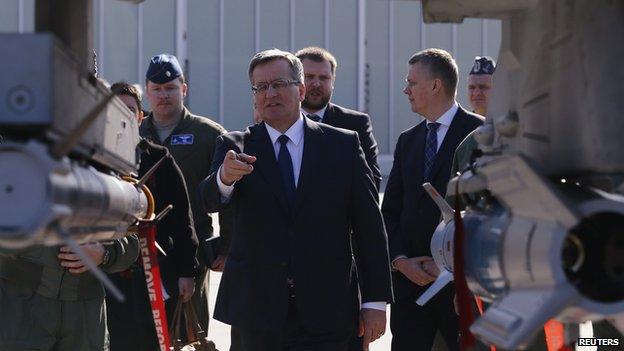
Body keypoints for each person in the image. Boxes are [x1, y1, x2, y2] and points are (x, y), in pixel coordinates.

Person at [199, 49, 393, 351]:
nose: (269, 94)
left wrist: (375, 301)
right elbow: (209, 200)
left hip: (330, 312)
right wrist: (225, 177)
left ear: (300, 90)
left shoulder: (342, 145)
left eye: (278, 84)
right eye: (260, 87)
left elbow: (369, 227)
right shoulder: (235, 146)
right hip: (258, 315)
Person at [381, 48, 483, 351]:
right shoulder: (407, 141)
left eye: (412, 82)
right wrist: (400, 262)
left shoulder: (480, 135)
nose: (405, 89)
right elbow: (391, 212)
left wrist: (453, 269)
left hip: (461, 292)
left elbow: (488, 214)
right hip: (411, 288)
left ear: (435, 85)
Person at [141, 54, 233, 336]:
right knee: (143, 328)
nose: (163, 95)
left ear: (184, 89)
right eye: (157, 89)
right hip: (141, 250)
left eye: (170, 87)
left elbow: (230, 194)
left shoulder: (209, 135)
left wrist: (226, 246)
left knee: (188, 330)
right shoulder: (133, 132)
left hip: (192, 249)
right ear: (147, 92)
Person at [106, 81, 198, 350]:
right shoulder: (91, 161)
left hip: (156, 272)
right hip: (108, 274)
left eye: (129, 110)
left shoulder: (159, 158)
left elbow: (182, 219)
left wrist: (186, 272)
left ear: (139, 116)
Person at [0, 203, 139, 348]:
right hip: (19, 310)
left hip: (85, 315)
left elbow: (131, 234)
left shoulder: (109, 181)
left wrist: (104, 253)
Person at [295, 46, 381, 189]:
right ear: (295, 80)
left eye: (324, 78)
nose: (316, 84)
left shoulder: (356, 124)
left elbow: (371, 180)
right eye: (309, 77)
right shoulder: (279, 122)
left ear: (333, 82)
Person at [450, 56, 496, 176]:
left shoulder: (505, 128)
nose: (476, 93)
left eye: (483, 87)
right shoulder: (458, 127)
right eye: (472, 87)